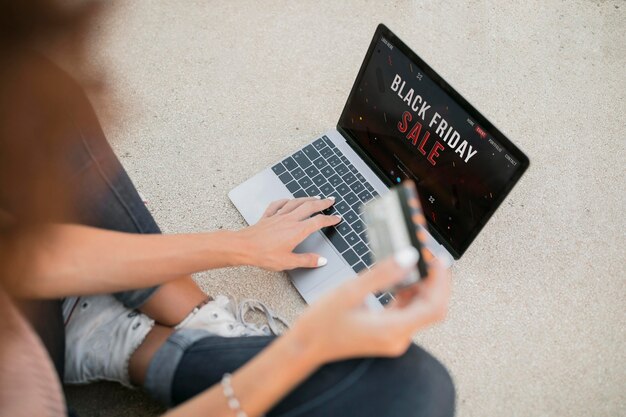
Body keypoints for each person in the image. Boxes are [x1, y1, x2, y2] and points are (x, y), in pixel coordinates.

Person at [0, 1, 455, 416]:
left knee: (41, 98)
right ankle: (120, 342)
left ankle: (156, 326)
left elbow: (24, 255)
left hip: (22, 313)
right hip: (28, 376)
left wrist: (240, 245)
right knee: (415, 388)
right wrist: (301, 349)